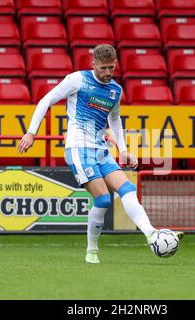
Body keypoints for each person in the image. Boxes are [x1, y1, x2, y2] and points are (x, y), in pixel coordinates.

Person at [19, 44, 182, 264]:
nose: (107, 73)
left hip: (100, 149)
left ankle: (151, 233)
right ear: (93, 63)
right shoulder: (78, 80)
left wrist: (123, 150)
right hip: (78, 148)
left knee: (128, 189)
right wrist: (31, 132)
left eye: (111, 68)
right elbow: (45, 100)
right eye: (103, 68)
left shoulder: (115, 90)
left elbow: (114, 120)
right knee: (104, 199)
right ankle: (92, 250)